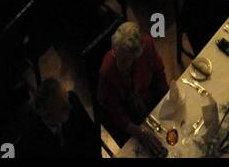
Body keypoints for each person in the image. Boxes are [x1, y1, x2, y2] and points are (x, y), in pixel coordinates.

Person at [98, 21, 168, 152]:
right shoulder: (107, 72)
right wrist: (139, 132)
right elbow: (114, 112)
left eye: (125, 60)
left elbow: (159, 73)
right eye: (115, 54)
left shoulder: (147, 46)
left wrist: (166, 99)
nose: (119, 63)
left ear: (137, 56)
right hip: (127, 119)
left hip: (149, 99)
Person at [18, 78, 101, 159]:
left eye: (66, 97)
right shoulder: (32, 138)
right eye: (63, 107)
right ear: (48, 115)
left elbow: (91, 134)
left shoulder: (72, 99)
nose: (70, 107)